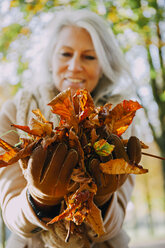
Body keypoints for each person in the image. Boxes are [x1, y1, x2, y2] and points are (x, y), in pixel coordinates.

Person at [0, 9, 143, 248]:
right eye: (66, 53)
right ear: (50, 60)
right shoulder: (14, 113)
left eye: (89, 57)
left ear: (104, 65)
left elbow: (115, 221)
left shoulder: (119, 120)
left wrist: (104, 197)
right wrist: (40, 199)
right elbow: (11, 215)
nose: (75, 66)